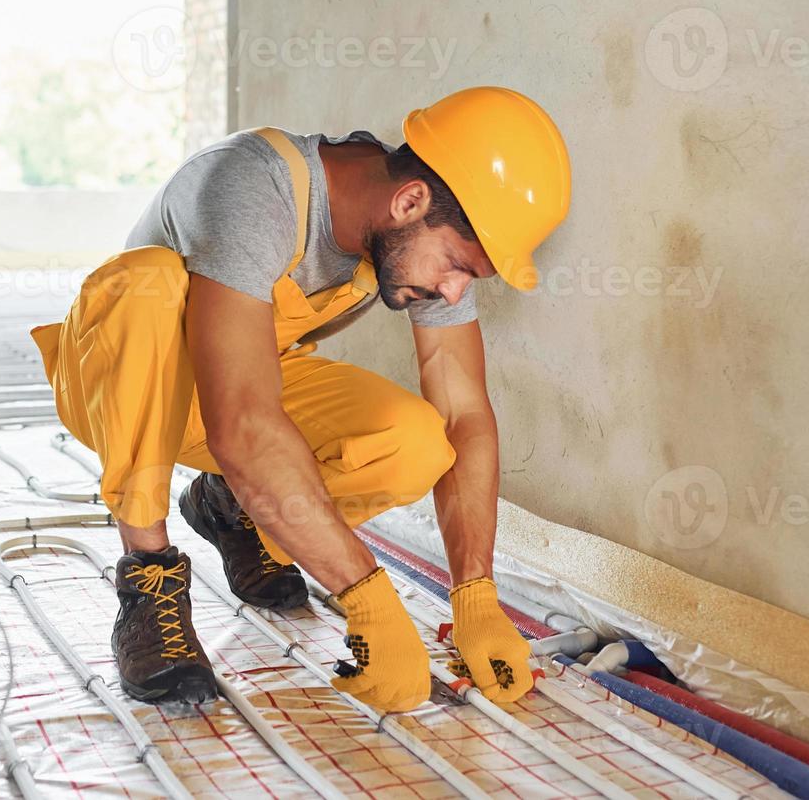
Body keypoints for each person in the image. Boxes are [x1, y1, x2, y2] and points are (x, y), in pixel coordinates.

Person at [31, 87, 571, 711]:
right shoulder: (252, 188)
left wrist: (475, 595)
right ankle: (147, 584)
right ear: (410, 200)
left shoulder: (406, 231)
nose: (452, 293)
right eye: (456, 266)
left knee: (418, 442)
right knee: (148, 284)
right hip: (122, 388)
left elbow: (463, 414)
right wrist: (365, 595)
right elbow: (243, 426)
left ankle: (232, 506)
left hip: (239, 386)